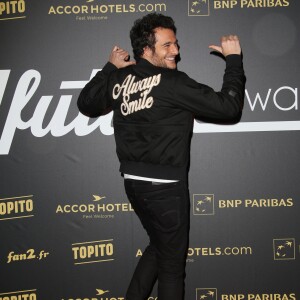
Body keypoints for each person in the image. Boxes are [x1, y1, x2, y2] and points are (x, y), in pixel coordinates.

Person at [77, 13, 245, 300]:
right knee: (171, 268)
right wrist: (233, 60)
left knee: (160, 246)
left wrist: (109, 67)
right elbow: (229, 107)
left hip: (134, 185)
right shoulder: (173, 83)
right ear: (146, 50)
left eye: (176, 44)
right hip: (166, 190)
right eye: (167, 46)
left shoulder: (120, 78)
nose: (176, 51)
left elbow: (87, 103)